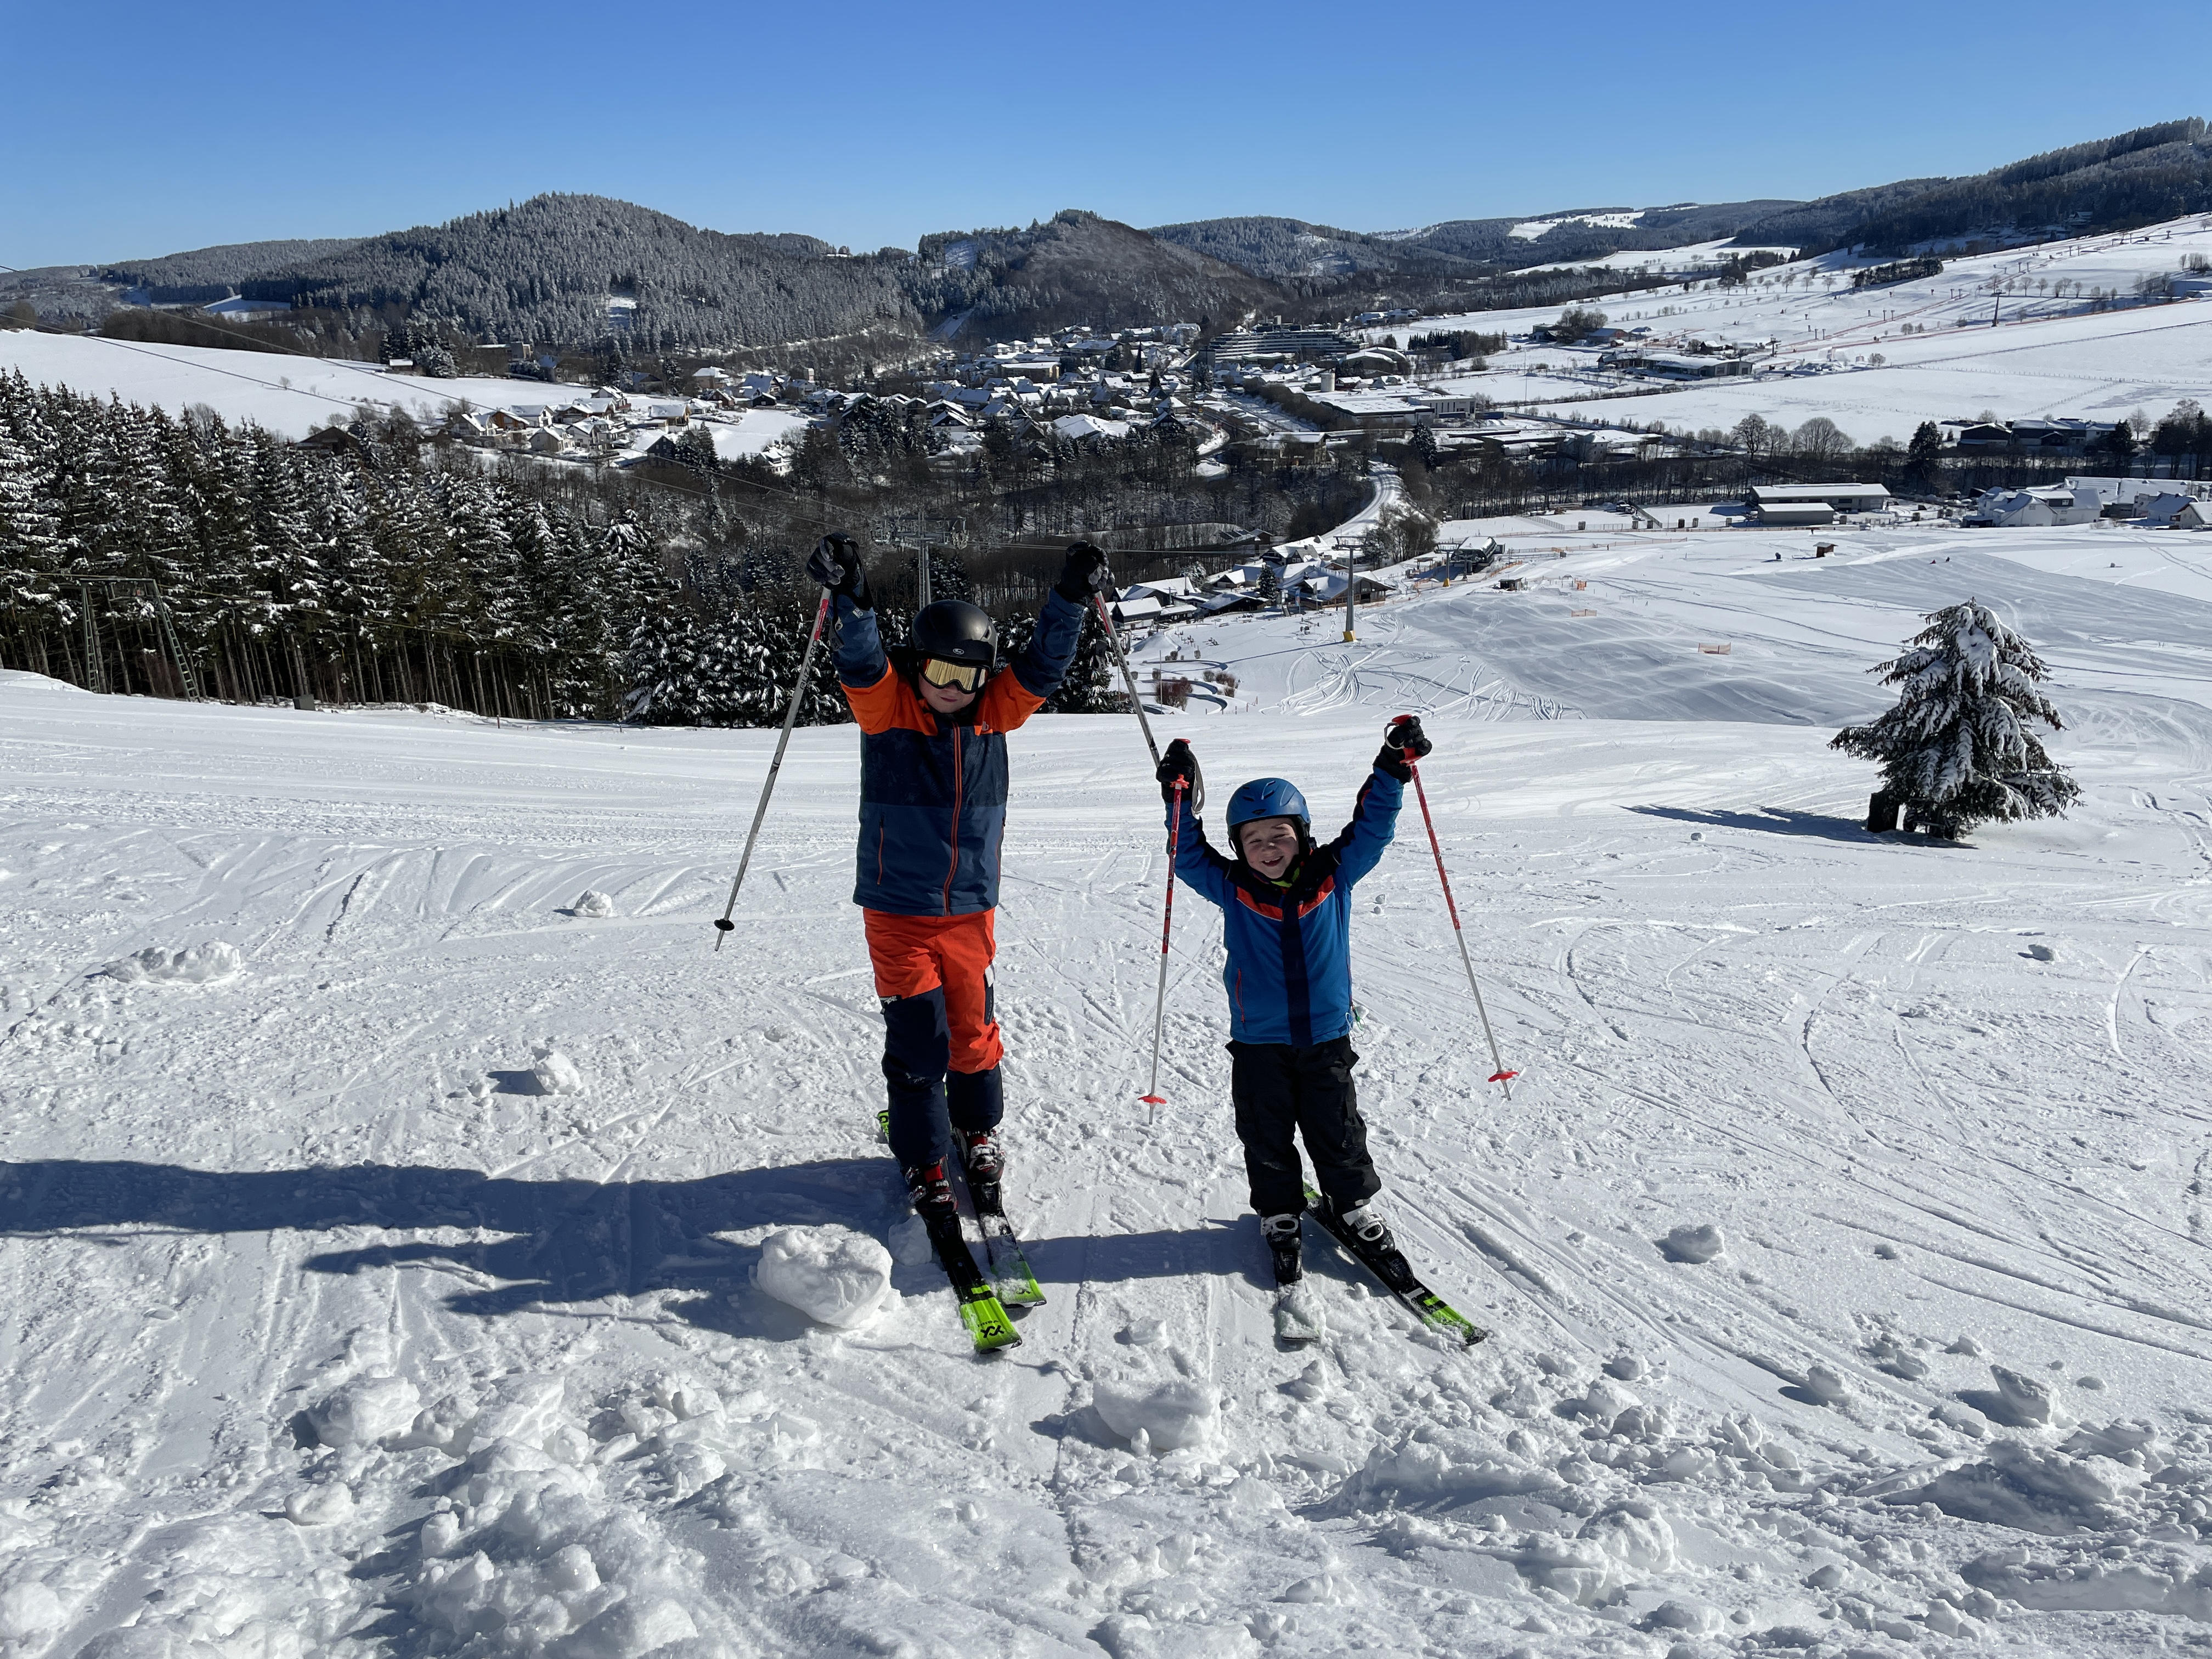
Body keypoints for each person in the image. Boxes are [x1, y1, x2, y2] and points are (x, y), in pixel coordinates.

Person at [805, 532, 1108, 1226]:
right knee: (918, 1046)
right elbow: (860, 662)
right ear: (916, 667)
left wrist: (1068, 597)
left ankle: (978, 1132)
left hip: (971, 909)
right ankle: (924, 1155)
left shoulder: (993, 718)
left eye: (966, 676)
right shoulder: (888, 715)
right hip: (897, 913)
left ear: (982, 679)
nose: (949, 688)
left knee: (973, 1034)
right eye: (937, 672)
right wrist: (853, 599)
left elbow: (1044, 665)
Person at [1153, 715, 1434, 1285]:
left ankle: (1353, 1205)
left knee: (1337, 1128)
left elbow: (1372, 828)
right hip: (1259, 1040)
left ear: (1302, 833)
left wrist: (1391, 768)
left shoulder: (1333, 872)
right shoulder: (1232, 886)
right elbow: (1186, 856)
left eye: (1279, 834)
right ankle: (1280, 1213)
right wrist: (1177, 797)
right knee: (1266, 1131)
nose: (1268, 848)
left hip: (1326, 1033)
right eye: (1253, 840)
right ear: (1238, 848)